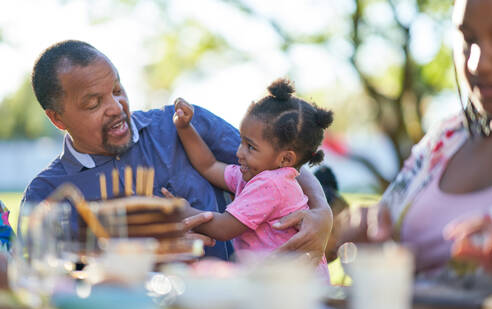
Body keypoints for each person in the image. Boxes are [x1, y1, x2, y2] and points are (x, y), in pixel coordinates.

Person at [22, 40, 332, 262]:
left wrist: (321, 211)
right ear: (57, 118)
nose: (117, 108)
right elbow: (46, 283)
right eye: (93, 103)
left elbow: (281, 160)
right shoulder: (47, 193)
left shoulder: (179, 124)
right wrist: (144, 250)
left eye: (117, 90)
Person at [330, 0, 492, 276]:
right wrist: (364, 234)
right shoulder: (445, 138)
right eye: (468, 39)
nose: (479, 64)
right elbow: (382, 224)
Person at [166, 78, 332, 279]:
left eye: (250, 147)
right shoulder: (254, 174)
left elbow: (223, 228)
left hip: (296, 287)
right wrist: (185, 128)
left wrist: (179, 211)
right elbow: (208, 166)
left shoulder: (272, 184)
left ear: (285, 158)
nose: (238, 152)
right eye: (241, 141)